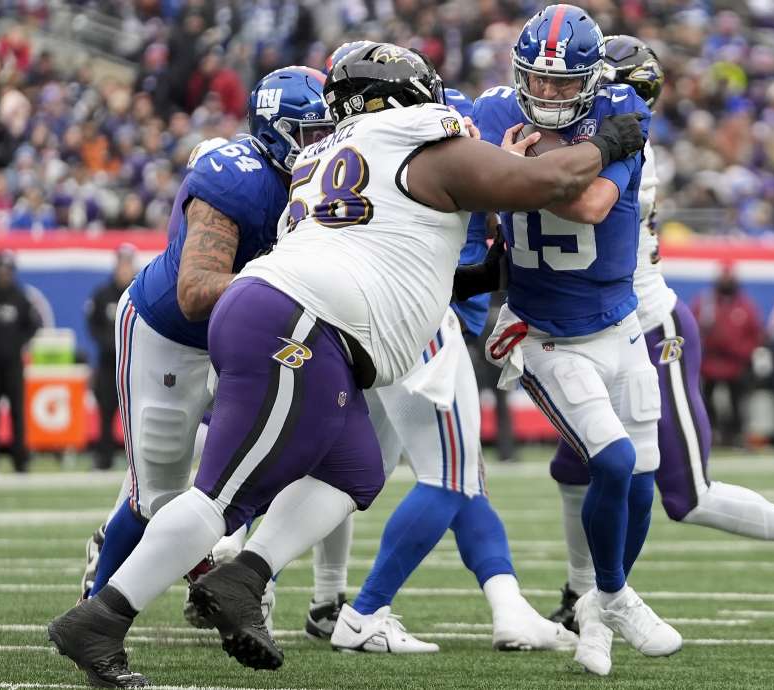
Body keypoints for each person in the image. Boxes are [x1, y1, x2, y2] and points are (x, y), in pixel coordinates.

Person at [48, 41, 646, 687]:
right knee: (220, 496)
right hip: (296, 318)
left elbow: (401, 264)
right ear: (404, 99)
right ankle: (100, 621)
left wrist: (486, 273)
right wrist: (611, 142)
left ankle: (244, 577)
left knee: (355, 469)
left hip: (305, 320)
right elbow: (550, 183)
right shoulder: (423, 144)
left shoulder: (332, 154)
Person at [544, 34, 774, 651]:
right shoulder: (592, 143)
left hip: (648, 330)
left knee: (686, 494)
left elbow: (572, 201)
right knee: (573, 468)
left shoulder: (625, 154)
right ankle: (578, 596)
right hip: (594, 331)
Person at [318, 57, 573, 654]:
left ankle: (508, 607)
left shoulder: (352, 146)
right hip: (419, 320)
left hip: (380, 315)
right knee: (441, 476)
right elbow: (505, 193)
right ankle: (348, 604)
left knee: (424, 473)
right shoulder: (438, 129)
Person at [470, 8, 678, 676]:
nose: (548, 92)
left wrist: (516, 170)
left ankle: (596, 608)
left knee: (642, 480)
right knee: (612, 460)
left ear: (592, 79)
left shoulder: (622, 111)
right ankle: (612, 595)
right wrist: (512, 172)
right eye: (538, 79)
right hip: (545, 332)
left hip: (620, 321)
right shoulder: (494, 109)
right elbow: (482, 187)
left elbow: (590, 206)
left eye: (563, 83)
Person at [77, 67, 333, 608]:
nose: (325, 145)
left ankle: (229, 581)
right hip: (171, 335)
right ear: (276, 132)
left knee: (268, 459)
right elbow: (195, 291)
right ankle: (95, 610)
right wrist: (281, 283)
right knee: (155, 499)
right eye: (313, 134)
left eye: (330, 132)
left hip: (243, 337)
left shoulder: (329, 182)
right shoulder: (237, 179)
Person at [0, 251, 41, 473]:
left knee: (17, 412)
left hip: (13, 364)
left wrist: (18, 343)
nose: (3, 275)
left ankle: (20, 460)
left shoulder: (20, 297)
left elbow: (33, 324)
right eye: (0, 271)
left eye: (7, 271)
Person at [692, 263, 763, 447]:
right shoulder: (705, 304)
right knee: (705, 400)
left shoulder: (746, 306)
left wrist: (739, 350)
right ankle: (711, 433)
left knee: (737, 401)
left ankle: (736, 434)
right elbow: (692, 331)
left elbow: (755, 335)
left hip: (735, 365)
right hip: (709, 364)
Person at [85, 244, 138, 470]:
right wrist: (109, 344)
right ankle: (103, 458)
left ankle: (136, 461)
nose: (124, 269)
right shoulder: (102, 294)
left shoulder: (139, 293)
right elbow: (92, 324)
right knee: (105, 411)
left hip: (134, 364)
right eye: (121, 265)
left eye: (128, 265)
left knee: (135, 413)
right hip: (108, 364)